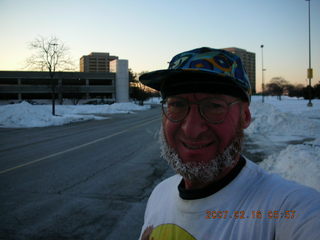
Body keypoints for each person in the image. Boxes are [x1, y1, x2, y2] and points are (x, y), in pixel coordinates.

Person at [138, 47, 320, 240]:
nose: (191, 129)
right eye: (177, 105)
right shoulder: (160, 194)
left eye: (214, 106)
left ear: (245, 116)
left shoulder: (292, 210)